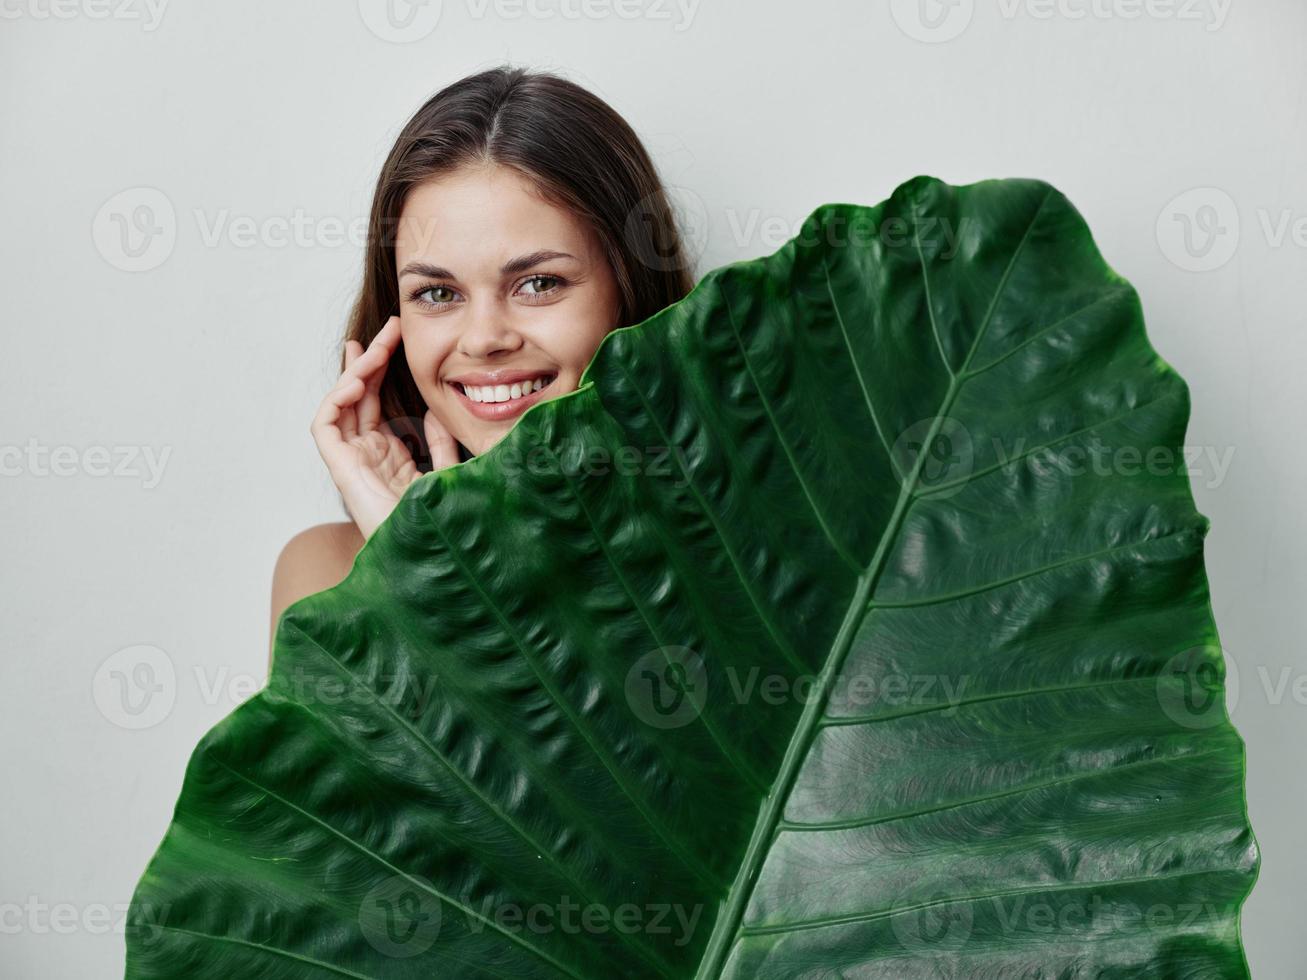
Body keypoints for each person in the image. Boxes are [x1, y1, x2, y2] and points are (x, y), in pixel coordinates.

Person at [268, 65, 695, 659]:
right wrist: (416, 566)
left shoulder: (734, 565)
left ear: (631, 292)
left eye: (539, 283)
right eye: (437, 294)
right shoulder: (323, 575)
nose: (483, 339)